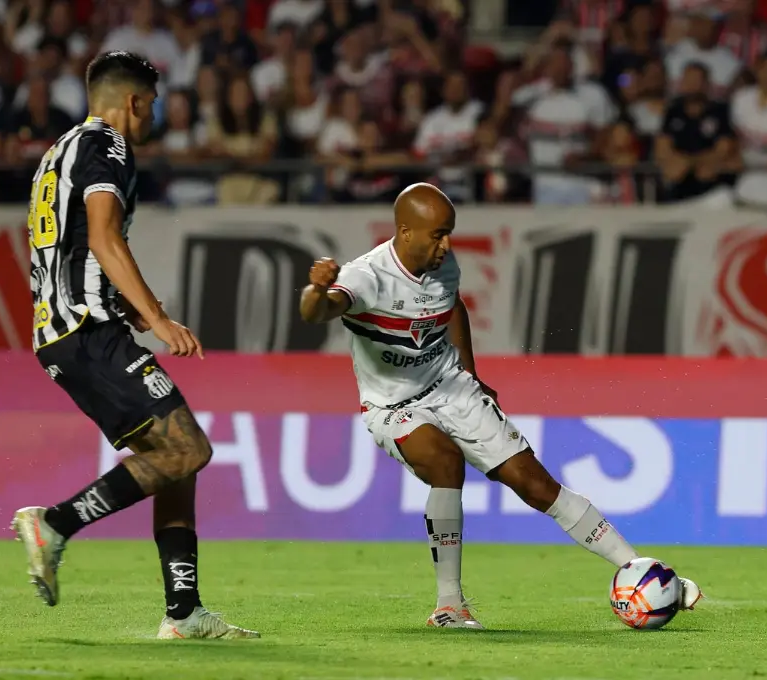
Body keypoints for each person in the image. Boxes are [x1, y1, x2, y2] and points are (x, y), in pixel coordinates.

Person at [299, 182, 704, 628]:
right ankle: (449, 605)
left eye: (449, 233)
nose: (446, 245)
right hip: (392, 404)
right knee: (444, 462)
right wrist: (317, 290)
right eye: (438, 234)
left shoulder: (443, 266)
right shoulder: (366, 277)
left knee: (536, 486)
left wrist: (471, 374)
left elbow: (452, 307)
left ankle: (643, 572)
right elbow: (316, 311)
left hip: (452, 388)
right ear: (406, 232)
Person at [11, 51, 257, 640]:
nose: (156, 115)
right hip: (86, 330)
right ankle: (55, 523)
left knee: (174, 462)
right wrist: (157, 317)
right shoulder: (108, 145)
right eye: (154, 104)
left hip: (67, 329)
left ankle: (184, 613)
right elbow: (102, 236)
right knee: (188, 449)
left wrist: (124, 304)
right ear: (134, 102)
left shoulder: (59, 151)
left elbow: (69, 243)